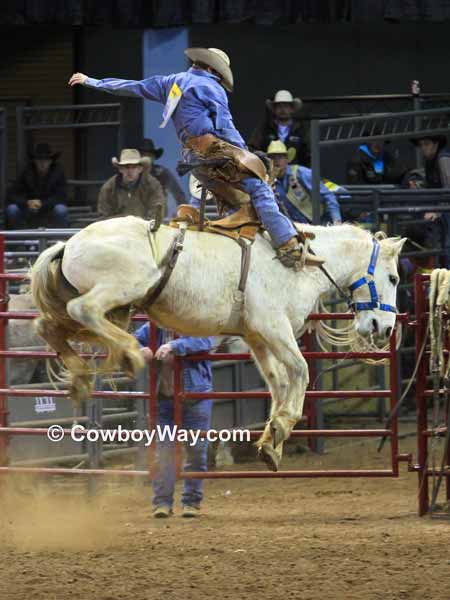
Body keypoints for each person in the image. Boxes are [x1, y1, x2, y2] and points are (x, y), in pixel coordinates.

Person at [69, 48, 322, 270]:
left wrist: (93, 81)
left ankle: (212, 231)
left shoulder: (171, 82)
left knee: (234, 197)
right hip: (215, 153)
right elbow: (225, 127)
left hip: (193, 158)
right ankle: (287, 245)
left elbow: (133, 87)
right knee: (259, 186)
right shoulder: (211, 87)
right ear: (213, 69)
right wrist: (247, 154)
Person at [134, 322, 214, 518]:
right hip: (167, 400)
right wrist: (138, 349)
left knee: (196, 451)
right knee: (164, 451)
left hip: (194, 397)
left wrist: (174, 346)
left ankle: (191, 502)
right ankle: (163, 503)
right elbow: (130, 340)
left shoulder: (196, 320)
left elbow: (206, 339)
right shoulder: (153, 327)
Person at [267, 140, 343, 225]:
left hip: (320, 223)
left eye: (280, 157)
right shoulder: (269, 182)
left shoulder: (301, 173)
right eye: (272, 158)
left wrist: (337, 221)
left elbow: (327, 195)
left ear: (287, 160)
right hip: (296, 228)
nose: (276, 161)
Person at [6, 143, 69, 229]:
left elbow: (61, 196)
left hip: (49, 208)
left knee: (61, 210)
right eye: (39, 159)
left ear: (51, 161)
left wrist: (42, 204)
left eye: (46, 160)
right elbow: (13, 193)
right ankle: (22, 239)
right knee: (12, 209)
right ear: (35, 161)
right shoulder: (27, 171)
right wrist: (27, 202)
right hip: (28, 208)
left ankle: (59, 239)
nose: (42, 163)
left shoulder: (58, 172)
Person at [411, 134, 450, 266]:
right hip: (443, 209)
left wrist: (438, 211)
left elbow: (448, 188)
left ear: (436, 144)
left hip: (445, 209)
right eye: (421, 145)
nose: (423, 148)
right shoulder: (430, 161)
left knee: (447, 246)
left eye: (426, 144)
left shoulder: (443, 159)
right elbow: (433, 187)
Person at [97, 148, 165, 221]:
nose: (130, 171)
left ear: (140, 169)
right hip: (117, 230)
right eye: (126, 167)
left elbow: (156, 213)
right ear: (120, 169)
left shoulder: (152, 185)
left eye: (134, 167)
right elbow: (104, 218)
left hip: (145, 229)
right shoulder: (109, 188)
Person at [249, 90, 310, 166]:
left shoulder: (301, 129)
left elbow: (309, 153)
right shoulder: (265, 128)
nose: (283, 109)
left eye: (286, 106)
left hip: (295, 173)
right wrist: (259, 154)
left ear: (292, 109)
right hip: (269, 172)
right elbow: (252, 148)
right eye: (279, 106)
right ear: (274, 109)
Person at [139, 138, 186, 217]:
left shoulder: (162, 173)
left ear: (153, 157)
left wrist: (184, 213)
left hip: (158, 215)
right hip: (136, 214)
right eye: (143, 155)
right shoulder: (132, 173)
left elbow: (178, 193)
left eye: (149, 155)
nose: (146, 158)